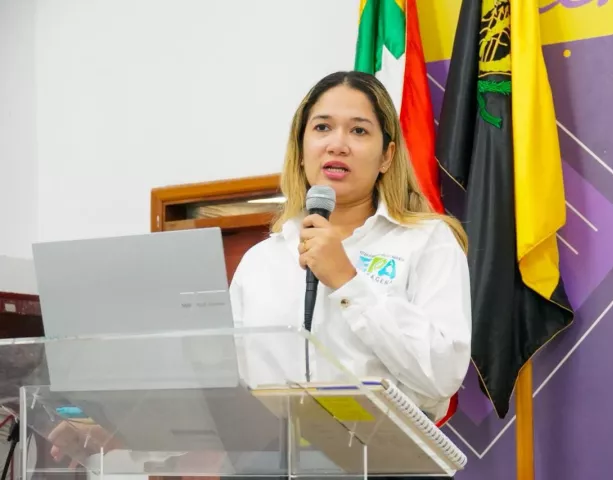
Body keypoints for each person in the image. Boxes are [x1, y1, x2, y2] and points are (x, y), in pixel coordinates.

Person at [47, 71, 472, 480]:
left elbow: (442, 372)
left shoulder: (427, 242)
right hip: (266, 467)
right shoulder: (262, 261)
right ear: (301, 148)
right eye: (322, 127)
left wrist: (348, 281)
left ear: (387, 156)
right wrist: (123, 436)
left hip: (387, 467)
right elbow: (220, 399)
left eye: (359, 131)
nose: (337, 144)